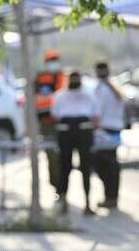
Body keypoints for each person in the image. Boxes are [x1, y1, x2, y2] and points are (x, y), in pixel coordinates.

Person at [51, 71, 99, 215]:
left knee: (85, 167)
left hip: (83, 130)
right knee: (65, 166)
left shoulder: (89, 94)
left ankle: (87, 203)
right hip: (67, 131)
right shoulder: (60, 95)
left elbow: (95, 116)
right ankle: (63, 200)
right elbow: (55, 115)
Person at [93, 61, 125, 209]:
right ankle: (111, 197)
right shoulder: (115, 86)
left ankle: (110, 197)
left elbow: (97, 112)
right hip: (115, 129)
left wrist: (94, 128)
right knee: (111, 164)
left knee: (103, 164)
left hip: (104, 130)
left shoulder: (102, 89)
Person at [35, 49, 67, 195]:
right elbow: (34, 98)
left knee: (63, 156)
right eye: (50, 60)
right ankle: (57, 187)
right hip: (46, 123)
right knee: (51, 155)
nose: (53, 63)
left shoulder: (64, 77)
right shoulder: (41, 78)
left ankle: (63, 188)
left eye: (55, 59)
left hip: (62, 122)